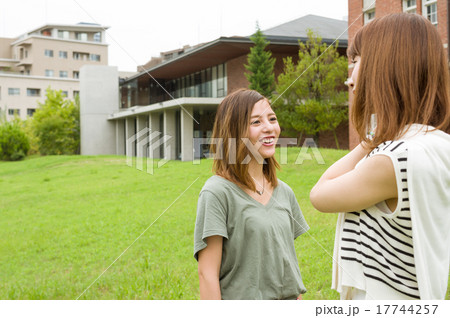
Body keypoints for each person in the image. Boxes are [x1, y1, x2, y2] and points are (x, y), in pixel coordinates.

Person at [310, 13, 450, 300]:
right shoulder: (436, 143)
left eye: (357, 61)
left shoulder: (393, 160)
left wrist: (369, 141)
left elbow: (320, 195)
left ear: (386, 67)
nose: (349, 79)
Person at [193, 88, 309, 300]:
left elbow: (288, 271)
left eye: (272, 119)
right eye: (256, 122)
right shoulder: (217, 193)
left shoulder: (285, 193)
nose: (269, 128)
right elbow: (206, 275)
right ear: (234, 132)